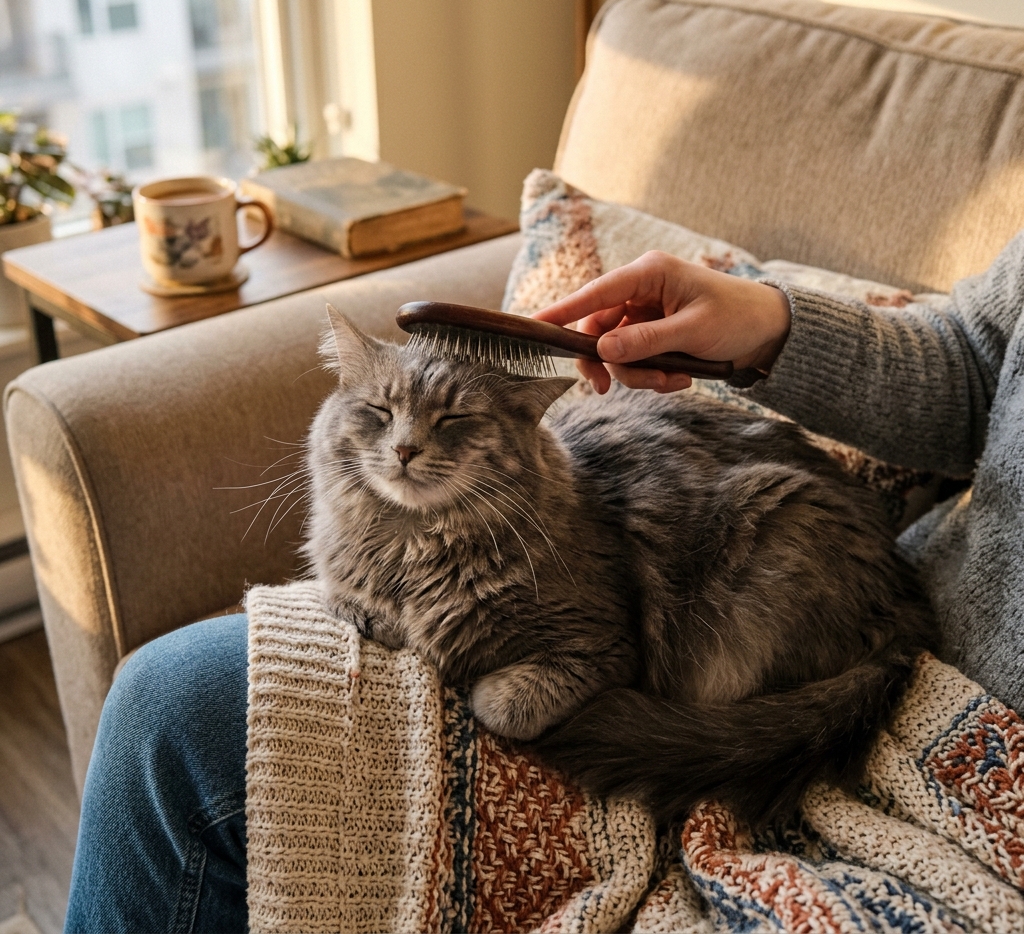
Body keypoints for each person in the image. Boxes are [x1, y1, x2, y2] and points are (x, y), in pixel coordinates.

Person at [64, 241, 1024, 932]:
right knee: (166, 700)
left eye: (448, 430)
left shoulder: (540, 536)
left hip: (865, 675)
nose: (405, 448)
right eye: (378, 418)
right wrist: (763, 320)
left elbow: (589, 648)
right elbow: (978, 359)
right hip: (922, 592)